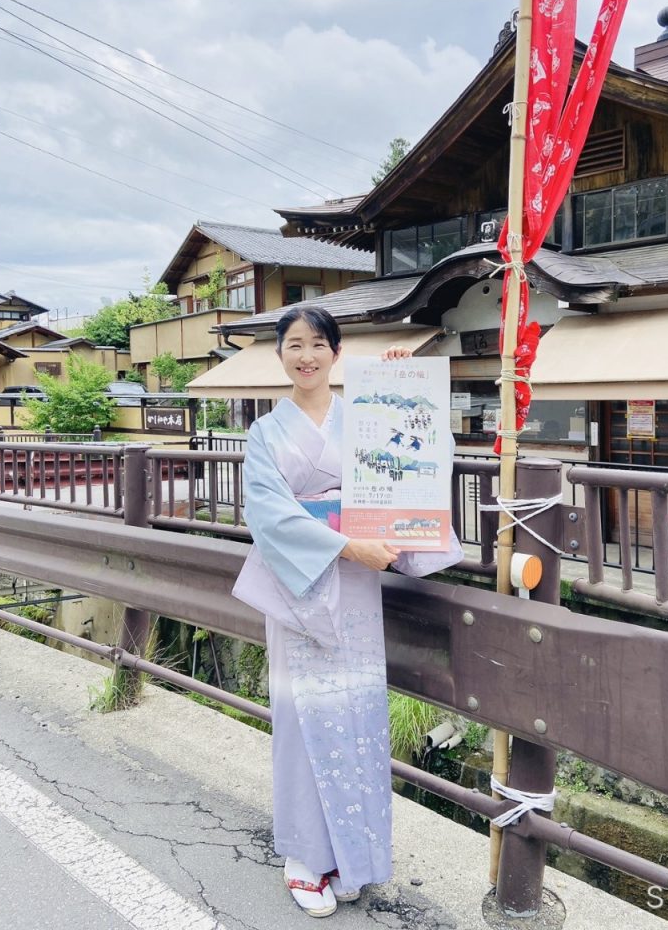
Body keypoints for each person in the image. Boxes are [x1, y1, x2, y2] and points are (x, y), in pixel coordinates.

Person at [231, 305, 463, 918]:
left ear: (336, 353)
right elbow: (267, 515)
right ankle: (304, 855)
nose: (305, 355)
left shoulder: (363, 414)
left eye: (317, 344)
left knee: (356, 717)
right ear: (279, 355)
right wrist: (344, 543)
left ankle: (351, 855)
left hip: (357, 588)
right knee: (303, 718)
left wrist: (400, 389)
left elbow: (415, 458)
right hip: (299, 584)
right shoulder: (264, 434)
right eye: (293, 345)